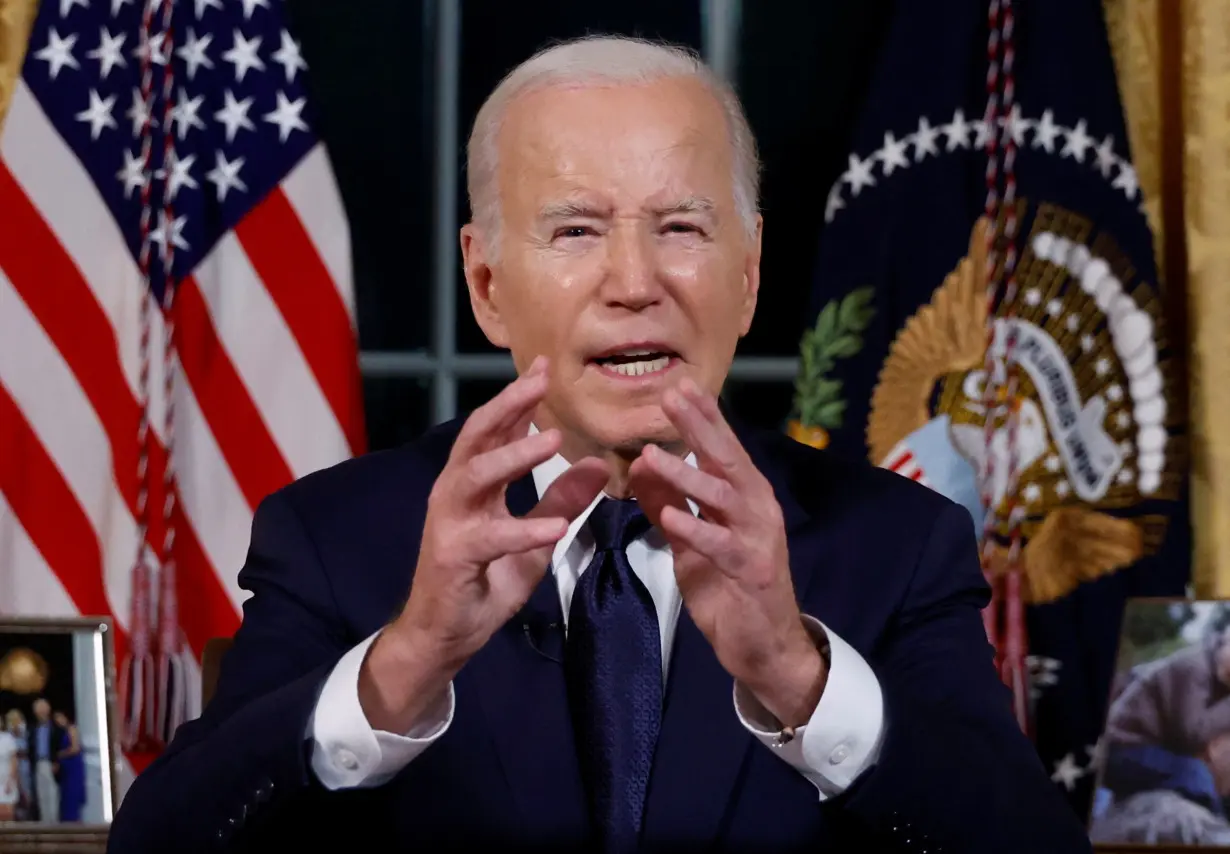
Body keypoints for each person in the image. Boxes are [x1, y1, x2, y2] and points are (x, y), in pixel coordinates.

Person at [108, 36, 1092, 853]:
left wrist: (800, 674)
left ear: (748, 275)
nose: (633, 281)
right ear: (487, 284)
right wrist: (401, 665)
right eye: (577, 230)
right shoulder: (335, 535)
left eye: (679, 227)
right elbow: (158, 842)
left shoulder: (898, 542)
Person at [27, 699, 61, 824]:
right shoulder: (33, 728)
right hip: (38, 763)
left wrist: (57, 761)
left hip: (50, 763)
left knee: (52, 793)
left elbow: (59, 745)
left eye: (42, 710)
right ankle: (44, 822)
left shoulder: (54, 727)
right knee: (41, 795)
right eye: (38, 710)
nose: (40, 712)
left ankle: (54, 822)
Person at [52, 712, 86, 823]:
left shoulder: (72, 729)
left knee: (72, 794)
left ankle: (73, 820)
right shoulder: (62, 732)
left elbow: (75, 748)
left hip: (73, 766)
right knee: (65, 796)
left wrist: (61, 754)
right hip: (66, 769)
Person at [4, 710, 32, 821]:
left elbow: (28, 749)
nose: (14, 723)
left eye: (16, 720)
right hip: (10, 768)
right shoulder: (7, 736)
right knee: (13, 793)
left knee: (26, 792)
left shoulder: (26, 732)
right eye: (12, 721)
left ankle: (29, 817)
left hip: (24, 766)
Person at [0, 722, 18, 822]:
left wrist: (10, 779)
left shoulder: (8, 738)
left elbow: (14, 760)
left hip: (7, 780)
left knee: (8, 813)